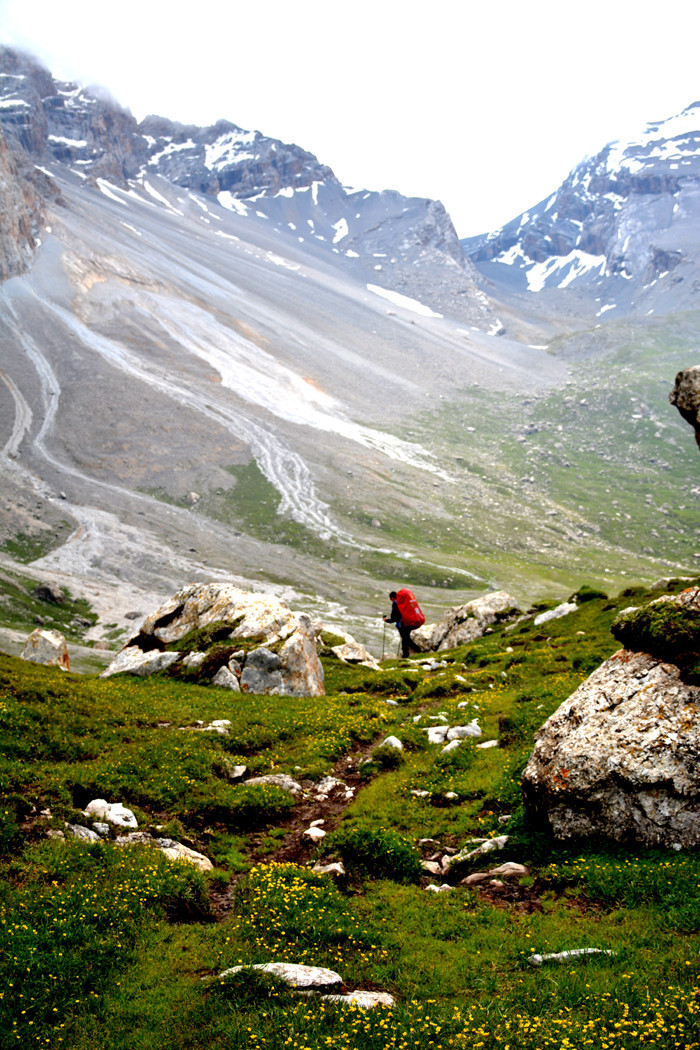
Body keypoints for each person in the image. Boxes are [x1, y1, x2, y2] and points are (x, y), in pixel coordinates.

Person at [384, 589, 422, 658]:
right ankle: (408, 654)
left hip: (402, 625)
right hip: (408, 622)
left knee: (405, 639)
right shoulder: (402, 603)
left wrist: (386, 620)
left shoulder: (395, 604)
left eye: (390, 599)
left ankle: (416, 651)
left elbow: (394, 618)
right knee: (406, 639)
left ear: (392, 598)